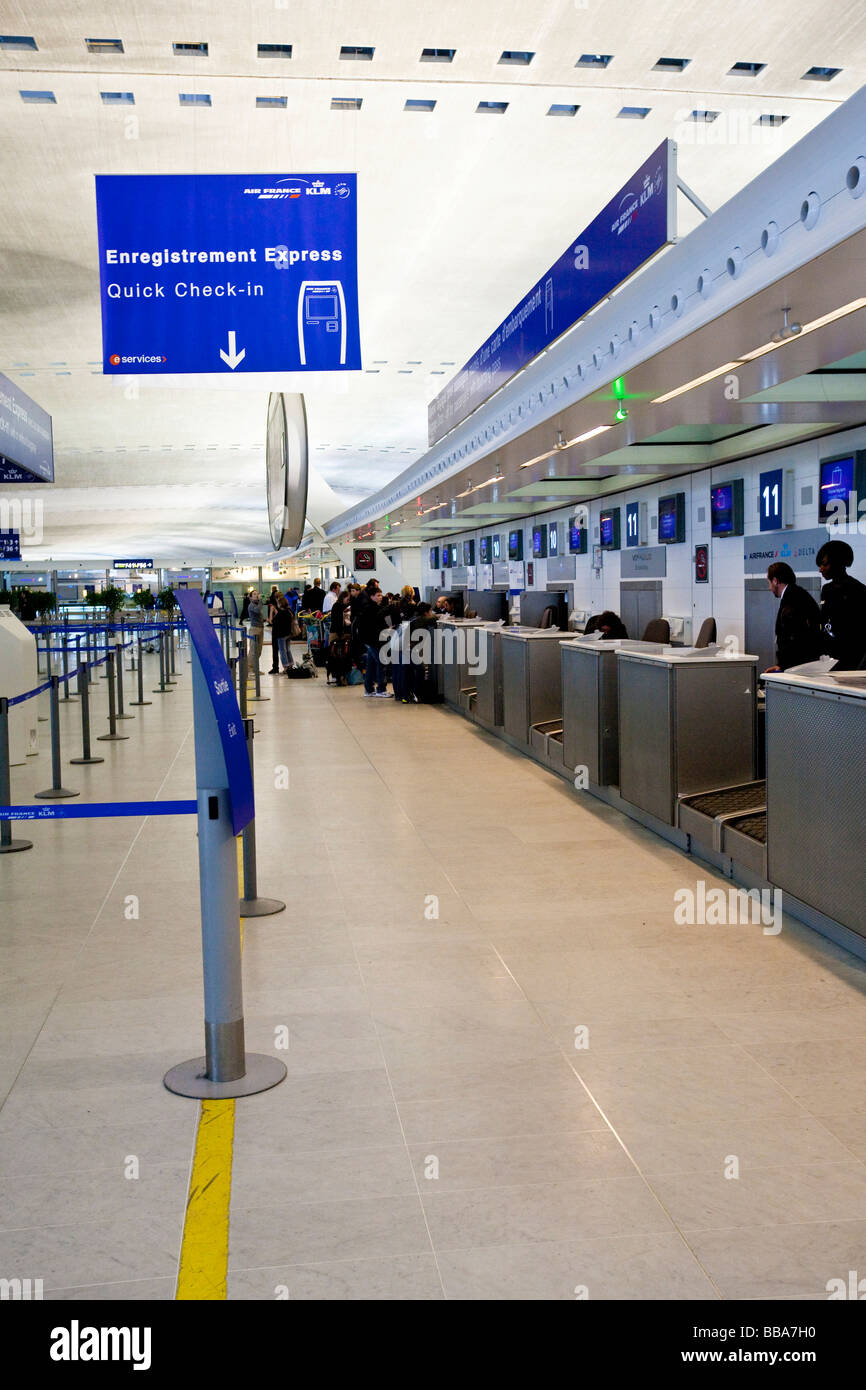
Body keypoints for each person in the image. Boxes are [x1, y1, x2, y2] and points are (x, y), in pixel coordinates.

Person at [816, 538, 866, 669]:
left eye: (824, 564)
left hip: (850, 659)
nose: (821, 569)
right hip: (827, 658)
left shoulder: (858, 590)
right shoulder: (826, 589)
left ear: (837, 563)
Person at [765, 561, 821, 671]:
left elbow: (793, 639)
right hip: (804, 663)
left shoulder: (792, 600)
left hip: (800, 667)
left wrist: (783, 666)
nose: (769, 588)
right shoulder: (797, 594)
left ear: (775, 581)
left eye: (769, 583)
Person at [356, 589, 392, 697]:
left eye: (381, 595)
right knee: (381, 663)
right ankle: (381, 689)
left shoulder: (367, 607)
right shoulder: (373, 609)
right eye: (378, 595)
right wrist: (388, 628)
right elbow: (377, 624)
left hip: (368, 640)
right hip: (374, 640)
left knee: (371, 665)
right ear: (372, 597)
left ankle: (369, 689)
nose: (380, 597)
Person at [270, 596, 295, 672]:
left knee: (282, 651)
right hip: (288, 634)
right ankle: (290, 664)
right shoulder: (288, 611)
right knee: (287, 650)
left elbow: (272, 621)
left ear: (280, 604)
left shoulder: (280, 613)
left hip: (281, 635)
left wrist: (271, 612)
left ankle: (286, 667)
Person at [247, 589, 265, 669]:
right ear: (250, 597)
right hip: (254, 629)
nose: (257, 595)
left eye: (257, 594)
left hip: (260, 628)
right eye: (254, 594)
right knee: (253, 651)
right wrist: (261, 600)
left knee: (258, 651)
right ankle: (249, 669)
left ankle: (255, 669)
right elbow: (257, 610)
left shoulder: (258, 604)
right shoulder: (251, 605)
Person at [266, 586, 282, 673]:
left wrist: (272, 612)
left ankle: (276, 667)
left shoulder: (276, 607)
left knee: (276, 650)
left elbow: (271, 621)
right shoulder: (285, 606)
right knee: (285, 650)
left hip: (277, 631)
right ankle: (288, 667)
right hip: (285, 631)